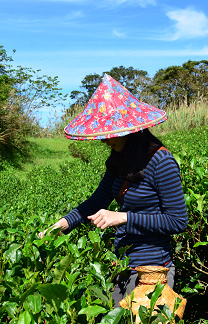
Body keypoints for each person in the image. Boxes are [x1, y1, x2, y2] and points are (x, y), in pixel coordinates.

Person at [39, 74, 188, 307]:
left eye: (110, 135)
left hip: (152, 273)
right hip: (121, 264)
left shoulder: (162, 161)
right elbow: (97, 201)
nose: (105, 141)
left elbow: (177, 221)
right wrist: (62, 225)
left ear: (130, 131)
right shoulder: (119, 161)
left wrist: (123, 217)